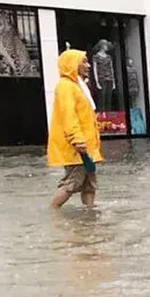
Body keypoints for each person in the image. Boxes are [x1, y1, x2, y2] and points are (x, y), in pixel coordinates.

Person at [48, 49, 104, 208]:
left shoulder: (78, 85)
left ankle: (90, 215)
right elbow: (68, 115)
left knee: (89, 184)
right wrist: (77, 140)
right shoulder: (65, 86)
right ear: (73, 64)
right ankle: (53, 214)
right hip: (78, 147)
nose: (88, 66)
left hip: (88, 145)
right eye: (84, 62)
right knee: (71, 183)